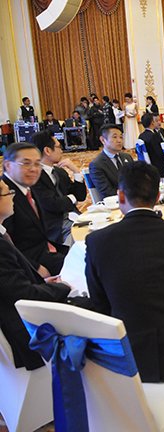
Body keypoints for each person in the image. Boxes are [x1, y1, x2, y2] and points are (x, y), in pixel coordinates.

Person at [86, 162, 164, 383]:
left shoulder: (97, 241)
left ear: (121, 196)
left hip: (129, 354)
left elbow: (100, 302)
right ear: (157, 197)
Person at [0, 178, 71, 371]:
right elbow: (23, 295)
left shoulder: (2, 235)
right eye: (8, 193)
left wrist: (44, 283)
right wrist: (62, 288)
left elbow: (14, 285)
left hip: (25, 309)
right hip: (28, 331)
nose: (13, 197)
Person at [2, 143, 67, 276]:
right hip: (28, 264)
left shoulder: (26, 186)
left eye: (37, 164)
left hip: (46, 250)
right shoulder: (4, 195)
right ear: (8, 165)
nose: (33, 169)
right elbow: (6, 244)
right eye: (26, 163)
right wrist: (35, 268)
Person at [31, 130, 86, 246]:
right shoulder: (35, 176)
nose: (61, 151)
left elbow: (80, 196)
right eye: (58, 147)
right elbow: (52, 204)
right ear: (47, 150)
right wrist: (72, 198)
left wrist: (76, 171)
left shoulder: (59, 172)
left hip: (74, 217)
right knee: (90, 238)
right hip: (57, 226)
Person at [89, 124, 134, 200]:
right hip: (116, 201)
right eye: (114, 137)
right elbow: (107, 192)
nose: (119, 141)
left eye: (121, 137)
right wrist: (131, 196)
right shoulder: (96, 165)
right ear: (103, 140)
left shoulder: (127, 157)